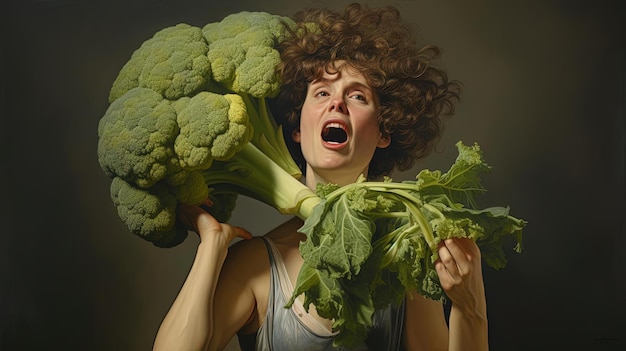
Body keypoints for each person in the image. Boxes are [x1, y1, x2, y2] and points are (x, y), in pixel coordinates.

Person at [153, 3, 489, 350]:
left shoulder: (403, 254)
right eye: (322, 92)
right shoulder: (256, 264)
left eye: (358, 96)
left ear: (384, 131)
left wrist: (470, 307)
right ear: (297, 126)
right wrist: (212, 245)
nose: (337, 104)